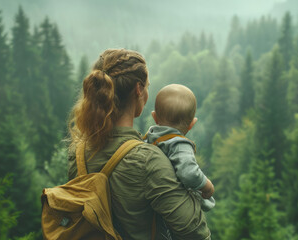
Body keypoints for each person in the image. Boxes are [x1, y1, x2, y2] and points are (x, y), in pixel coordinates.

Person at [67, 49, 211, 240]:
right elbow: (195, 232)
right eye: (147, 86)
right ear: (138, 89)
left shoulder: (78, 151)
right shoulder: (149, 160)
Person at [144, 84, 216, 212]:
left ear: (154, 117)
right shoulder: (180, 144)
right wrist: (207, 186)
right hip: (169, 205)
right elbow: (189, 174)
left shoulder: (148, 138)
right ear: (191, 124)